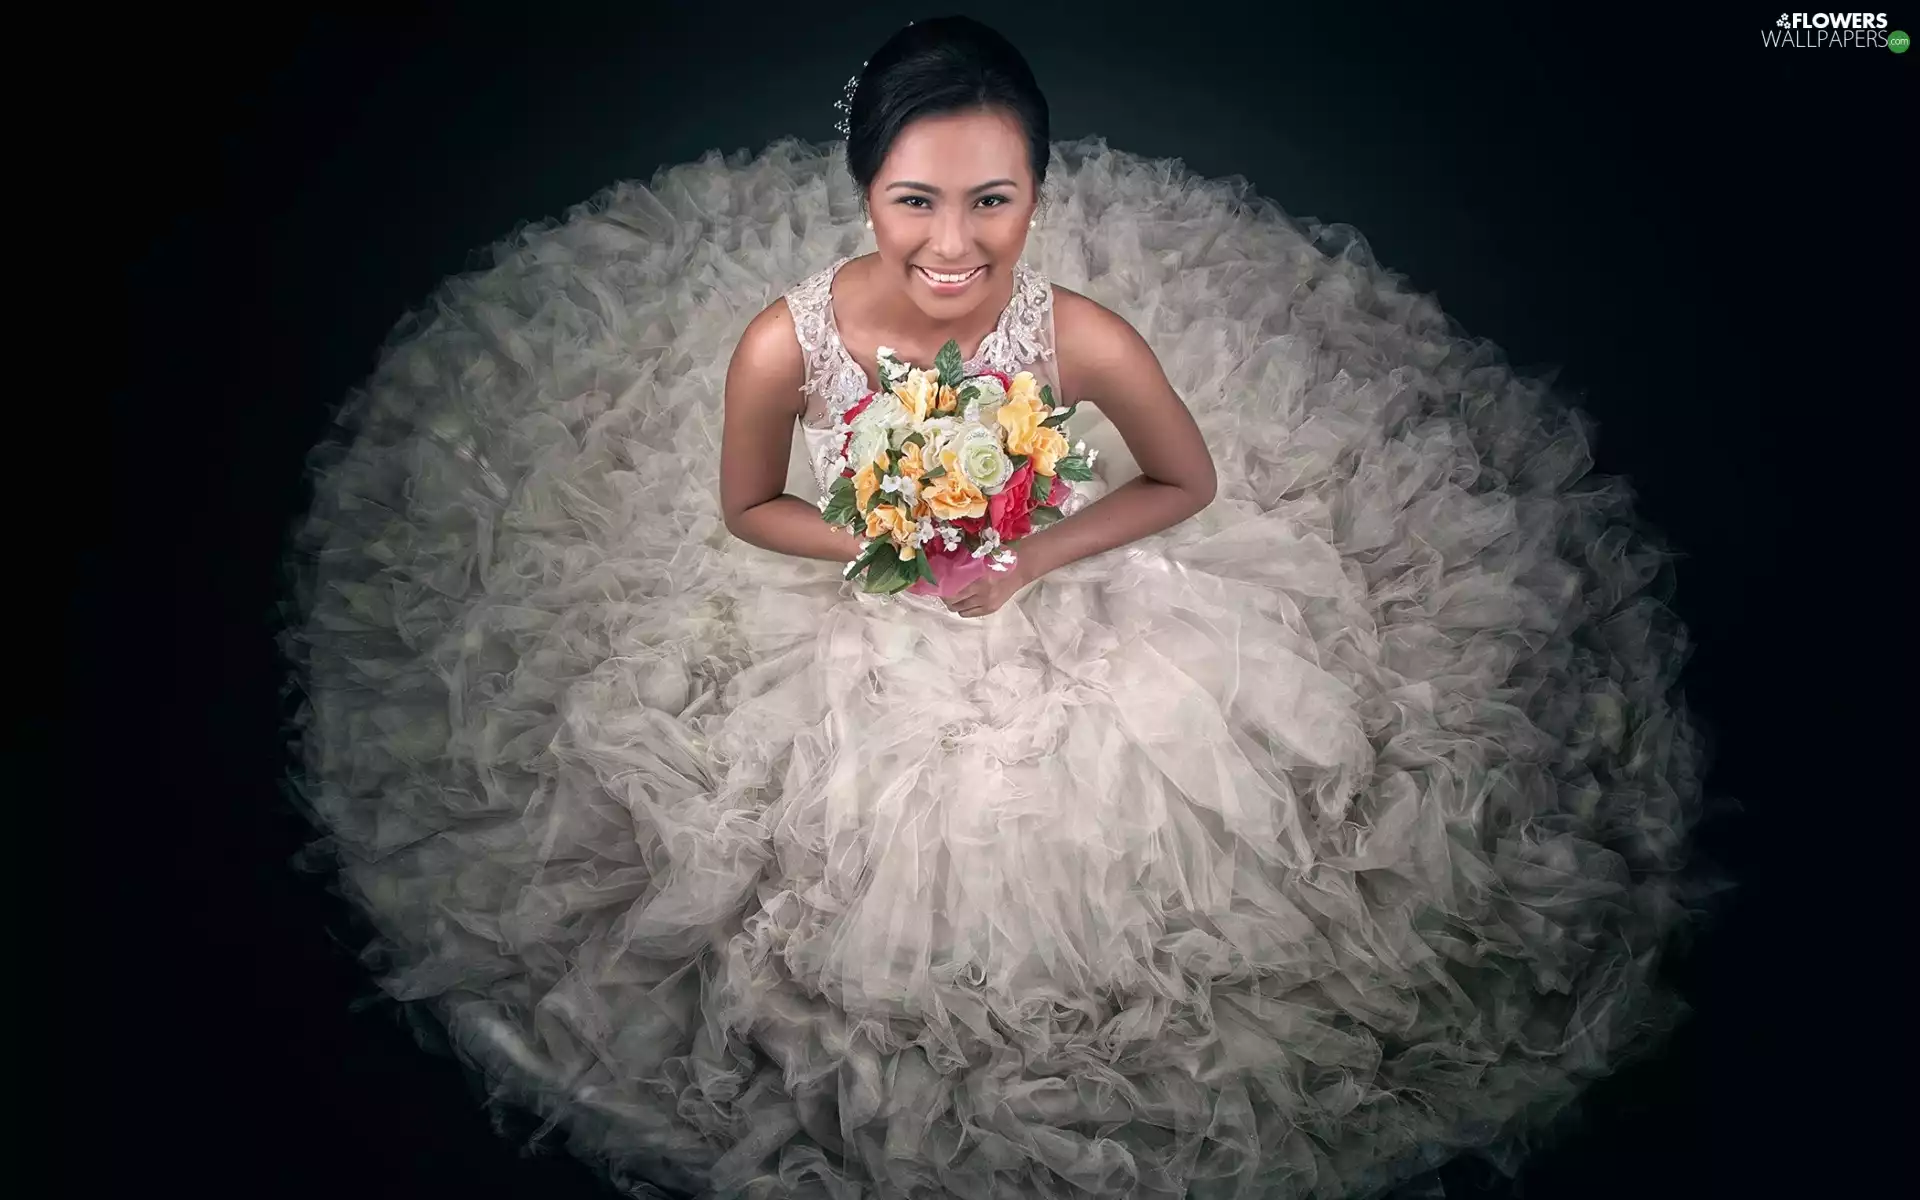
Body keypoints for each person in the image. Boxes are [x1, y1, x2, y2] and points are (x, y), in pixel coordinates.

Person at [285, 15, 1715, 1199]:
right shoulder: (791, 340)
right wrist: (879, 547)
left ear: (1038, 193)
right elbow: (747, 509)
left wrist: (1031, 555)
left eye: (995, 201)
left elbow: (1182, 479)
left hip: (1063, 578)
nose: (954, 243)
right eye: (915, 201)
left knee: (1192, 791)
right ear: (864, 193)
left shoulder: (1078, 334)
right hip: (861, 595)